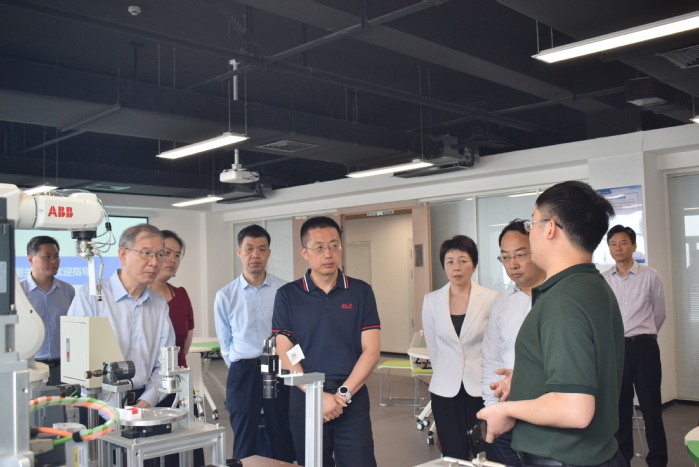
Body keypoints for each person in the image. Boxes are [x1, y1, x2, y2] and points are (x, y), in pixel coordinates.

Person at [477, 180, 626, 467]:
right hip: (596, 454)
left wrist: (507, 410)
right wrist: (527, 379)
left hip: (564, 458)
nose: (530, 232)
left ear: (550, 228)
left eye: (532, 223)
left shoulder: (562, 299)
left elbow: (575, 409)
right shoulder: (592, 285)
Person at [272, 216, 380, 467]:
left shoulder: (361, 291)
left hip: (351, 396)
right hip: (305, 397)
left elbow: (372, 351)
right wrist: (317, 396)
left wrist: (342, 395)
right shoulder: (288, 295)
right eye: (319, 247)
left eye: (334, 245)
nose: (328, 253)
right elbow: (284, 351)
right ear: (304, 252)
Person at [68, 224, 175, 408]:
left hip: (144, 405)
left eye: (160, 255)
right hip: (98, 407)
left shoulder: (158, 304)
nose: (154, 262)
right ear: (123, 255)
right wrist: (113, 412)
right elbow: (79, 362)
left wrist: (145, 403)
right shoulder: (91, 296)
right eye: (146, 253)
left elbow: (165, 365)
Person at [214, 224, 295, 463]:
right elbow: (225, 341)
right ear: (239, 252)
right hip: (243, 370)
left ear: (269, 253)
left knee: (281, 429)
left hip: (278, 368)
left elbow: (294, 334)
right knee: (243, 431)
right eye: (249, 248)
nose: (255, 255)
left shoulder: (284, 290)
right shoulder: (225, 295)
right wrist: (238, 366)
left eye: (261, 249)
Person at [422, 235, 499, 460]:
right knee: (453, 452)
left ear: (474, 265)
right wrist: (444, 374)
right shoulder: (432, 300)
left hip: (481, 388)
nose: (456, 267)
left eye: (463, 260)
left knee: (484, 451)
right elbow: (433, 347)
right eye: (450, 261)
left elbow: (495, 346)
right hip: (445, 390)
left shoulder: (490, 298)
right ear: (444, 266)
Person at [481, 220, 546, 467]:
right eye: (506, 257)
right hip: (508, 409)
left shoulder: (558, 297)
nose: (512, 264)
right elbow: (491, 360)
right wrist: (492, 409)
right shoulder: (502, 305)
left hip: (548, 411)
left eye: (520, 254)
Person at [602, 225, 667, 467]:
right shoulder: (603, 280)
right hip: (617, 350)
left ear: (633, 246)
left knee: (651, 407)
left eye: (623, 243)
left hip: (644, 347)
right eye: (613, 244)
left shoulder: (650, 275)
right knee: (620, 409)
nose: (618, 248)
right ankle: (623, 460)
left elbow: (659, 313)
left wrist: (644, 335)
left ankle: (658, 460)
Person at [149, 229, 204, 467]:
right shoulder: (141, 297)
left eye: (177, 255)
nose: (172, 259)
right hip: (147, 388)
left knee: (186, 450)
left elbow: (185, 345)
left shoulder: (180, 295)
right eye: (166, 253)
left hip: (179, 385)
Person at [21, 236, 75, 385]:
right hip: (32, 367)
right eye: (47, 256)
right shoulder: (19, 292)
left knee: (66, 401)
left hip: (64, 365)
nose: (53, 261)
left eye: (56, 256)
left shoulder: (67, 290)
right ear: (31, 259)